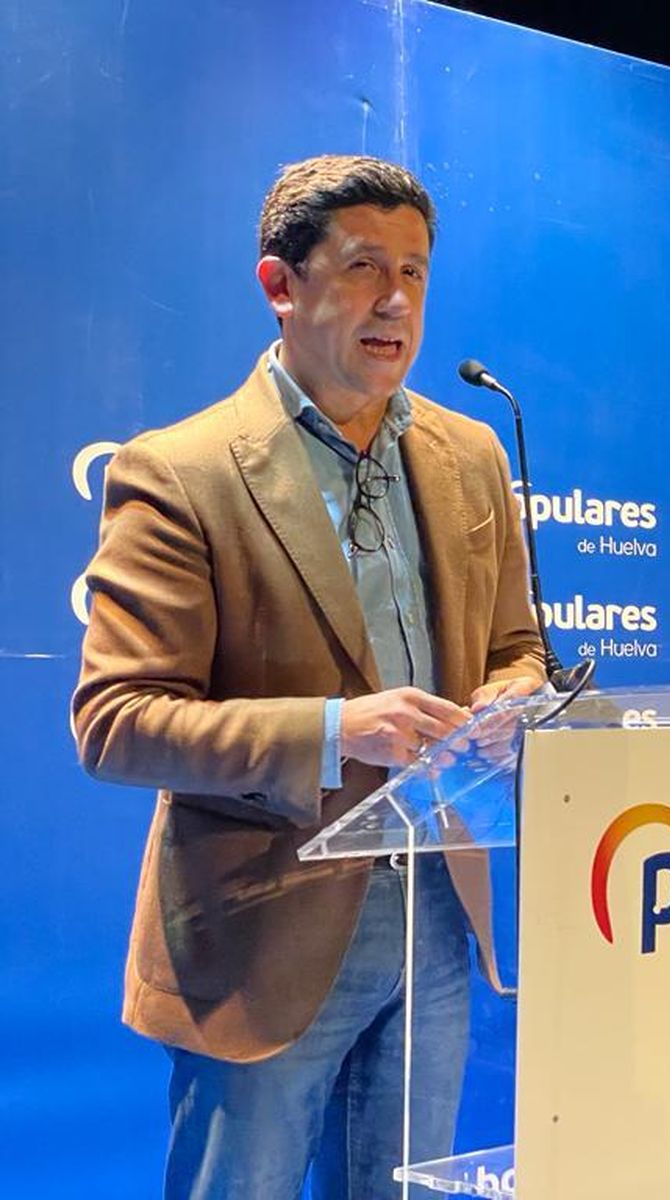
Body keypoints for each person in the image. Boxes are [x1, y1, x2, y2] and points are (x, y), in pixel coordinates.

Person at [71, 155, 546, 1200]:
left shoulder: (468, 457)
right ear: (279, 287)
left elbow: (519, 645)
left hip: (432, 910)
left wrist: (513, 694)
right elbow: (116, 721)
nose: (395, 300)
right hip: (260, 928)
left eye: (415, 272)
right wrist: (337, 728)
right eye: (363, 266)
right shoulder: (181, 469)